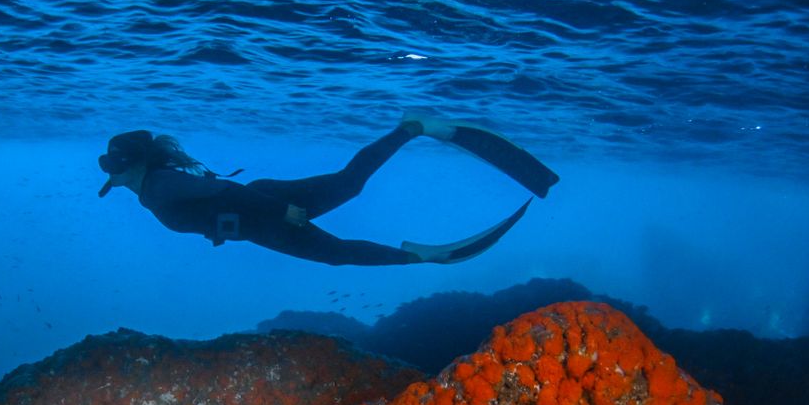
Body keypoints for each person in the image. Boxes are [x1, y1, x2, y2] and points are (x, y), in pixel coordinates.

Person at [96, 119, 558, 266]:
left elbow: (224, 190)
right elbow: (213, 200)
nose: (110, 176)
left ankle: (423, 256)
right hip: (259, 211)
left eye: (113, 168)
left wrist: (282, 211)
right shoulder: (154, 188)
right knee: (349, 185)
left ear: (131, 167)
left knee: (339, 252)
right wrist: (218, 228)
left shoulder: (158, 186)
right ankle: (411, 129)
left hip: (265, 213)